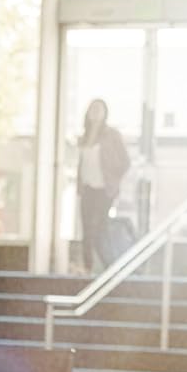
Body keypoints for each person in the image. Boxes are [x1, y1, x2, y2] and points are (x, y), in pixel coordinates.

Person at [74, 98, 131, 275]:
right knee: (86, 228)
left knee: (99, 228)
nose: (95, 112)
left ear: (105, 113)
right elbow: (82, 163)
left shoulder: (112, 135)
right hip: (88, 188)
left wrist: (113, 179)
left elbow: (125, 161)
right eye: (93, 108)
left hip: (104, 190)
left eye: (99, 109)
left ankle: (109, 266)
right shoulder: (84, 135)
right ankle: (87, 266)